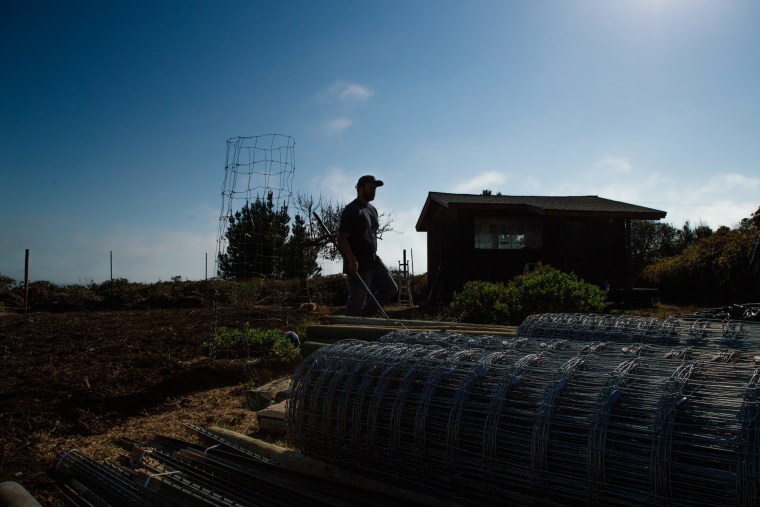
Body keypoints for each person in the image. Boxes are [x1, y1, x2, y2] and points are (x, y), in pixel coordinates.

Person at [337, 175, 398, 316]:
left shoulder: (372, 210)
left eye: (375, 188)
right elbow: (341, 238)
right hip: (358, 264)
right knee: (356, 301)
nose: (374, 191)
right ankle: (349, 332)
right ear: (360, 188)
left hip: (373, 260)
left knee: (390, 288)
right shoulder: (352, 210)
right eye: (370, 188)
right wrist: (351, 259)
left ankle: (364, 316)